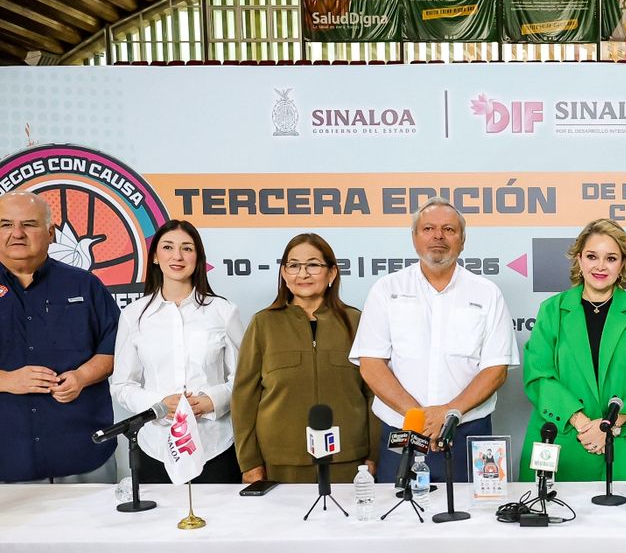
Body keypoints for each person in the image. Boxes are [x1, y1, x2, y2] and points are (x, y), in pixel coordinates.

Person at [0, 191, 120, 483]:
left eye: (29, 224)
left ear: (51, 233)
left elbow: (117, 347)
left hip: (84, 455)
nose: (17, 233)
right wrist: (8, 381)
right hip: (1, 460)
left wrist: (82, 377)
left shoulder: (86, 286)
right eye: (6, 224)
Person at [352, 199, 518, 484]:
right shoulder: (386, 290)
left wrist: (449, 413)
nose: (438, 236)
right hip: (403, 431)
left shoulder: (487, 293)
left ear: (462, 240)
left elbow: (496, 369)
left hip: (468, 432)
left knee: (475, 511)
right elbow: (371, 364)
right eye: (428, 228)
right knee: (398, 510)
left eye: (449, 229)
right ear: (414, 237)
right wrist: (418, 416)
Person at [520, 219, 626, 480]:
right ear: (579, 259)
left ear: (623, 263)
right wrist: (584, 424)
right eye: (591, 256)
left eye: (611, 258)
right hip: (567, 441)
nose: (600, 266)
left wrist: (609, 425)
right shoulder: (552, 310)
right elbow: (539, 375)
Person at [110, 220, 245, 484]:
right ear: (155, 257)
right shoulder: (133, 316)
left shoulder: (224, 312)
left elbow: (244, 378)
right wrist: (159, 405)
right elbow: (122, 385)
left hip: (215, 446)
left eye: (187, 248)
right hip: (157, 449)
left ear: (198, 258)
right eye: (168, 247)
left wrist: (212, 400)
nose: (177, 256)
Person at [234, 233, 375, 484]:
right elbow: (244, 397)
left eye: (313, 265)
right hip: (280, 462)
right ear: (284, 273)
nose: (303, 274)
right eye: (294, 265)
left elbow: (373, 393)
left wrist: (373, 455)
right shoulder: (263, 324)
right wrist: (250, 462)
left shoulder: (356, 322)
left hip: (347, 460)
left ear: (332, 273)